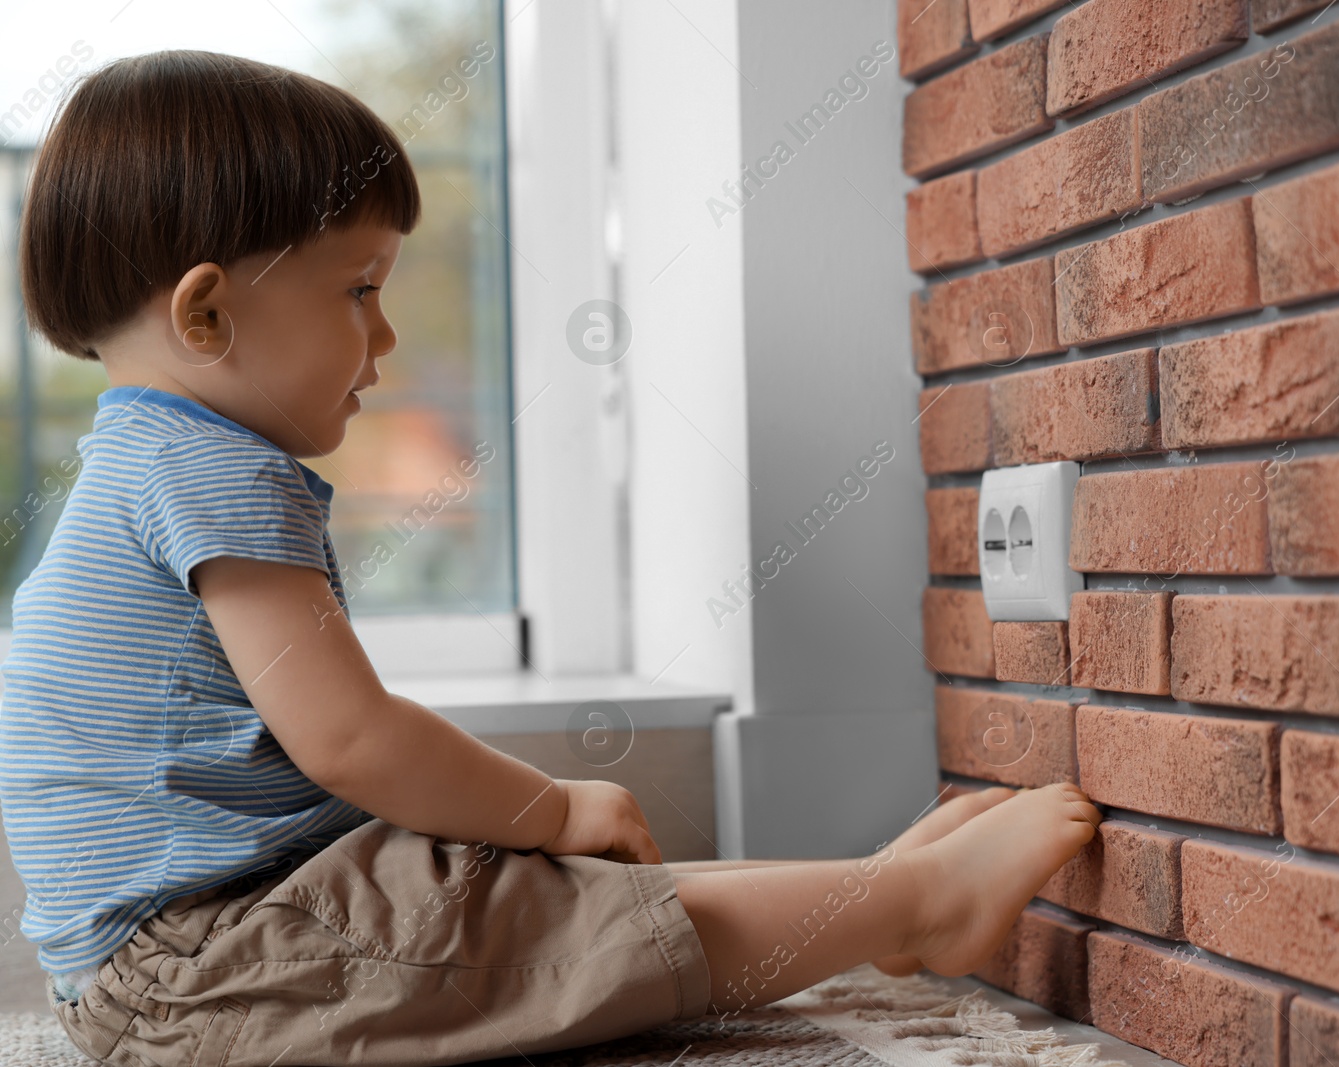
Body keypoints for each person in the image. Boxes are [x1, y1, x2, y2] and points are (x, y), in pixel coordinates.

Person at [0, 49, 1103, 1066]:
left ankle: (872, 893)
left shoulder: (147, 456)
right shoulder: (214, 471)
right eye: (359, 289)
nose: (383, 338)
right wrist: (551, 806)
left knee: (522, 894)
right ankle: (910, 906)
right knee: (543, 920)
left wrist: (525, 830)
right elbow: (349, 736)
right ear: (206, 314)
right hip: (202, 974)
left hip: (196, 945)